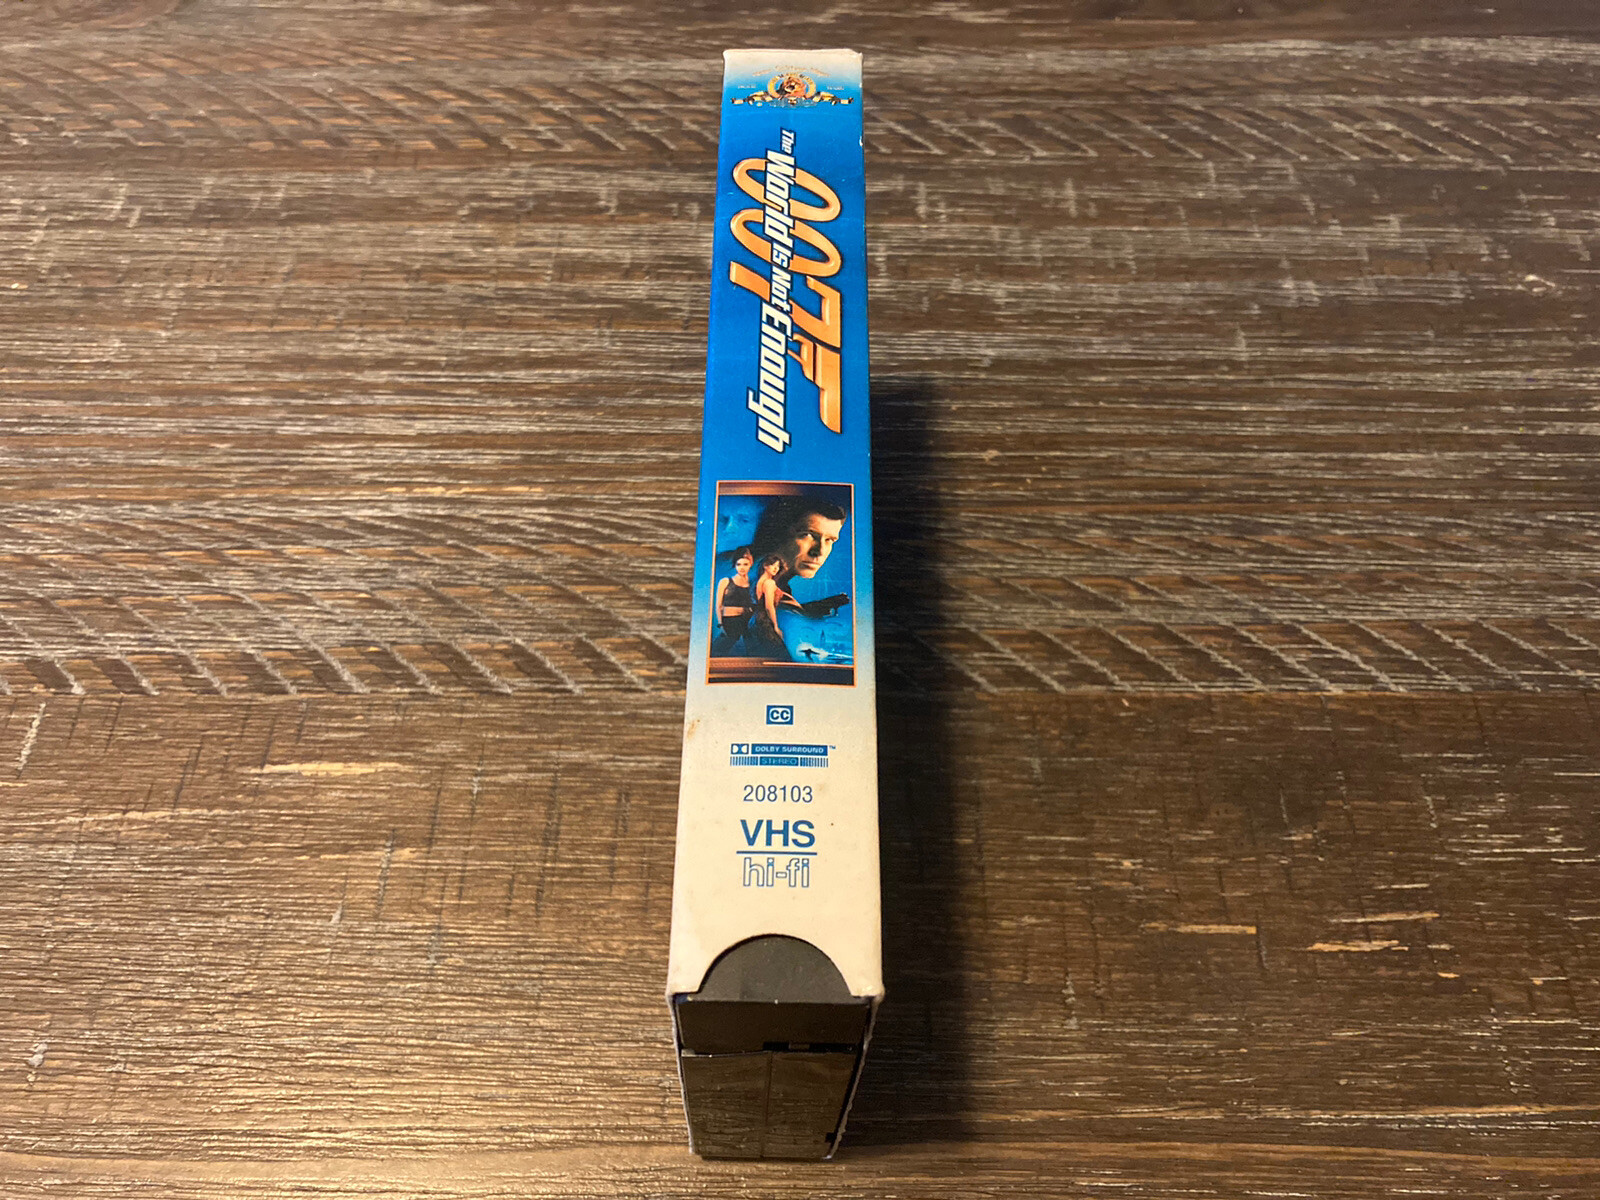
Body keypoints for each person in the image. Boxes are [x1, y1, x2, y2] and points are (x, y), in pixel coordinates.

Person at [749, 494, 851, 621]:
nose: (820, 552)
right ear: (780, 533)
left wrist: (812, 609)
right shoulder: (754, 577)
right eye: (807, 535)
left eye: (829, 540)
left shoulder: (779, 584)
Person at [711, 546, 755, 656]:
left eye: (745, 564)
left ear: (750, 564)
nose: (742, 568)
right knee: (719, 650)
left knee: (752, 649)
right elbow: (718, 605)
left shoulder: (752, 583)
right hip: (730, 622)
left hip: (747, 621)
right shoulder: (725, 581)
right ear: (735, 565)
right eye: (738, 564)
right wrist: (721, 624)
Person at [745, 554, 790, 661]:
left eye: (778, 566)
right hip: (765, 622)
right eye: (773, 565)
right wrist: (776, 627)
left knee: (763, 657)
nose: (776, 569)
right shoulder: (769, 582)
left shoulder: (758, 581)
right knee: (780, 656)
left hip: (754, 621)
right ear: (765, 566)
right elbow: (769, 607)